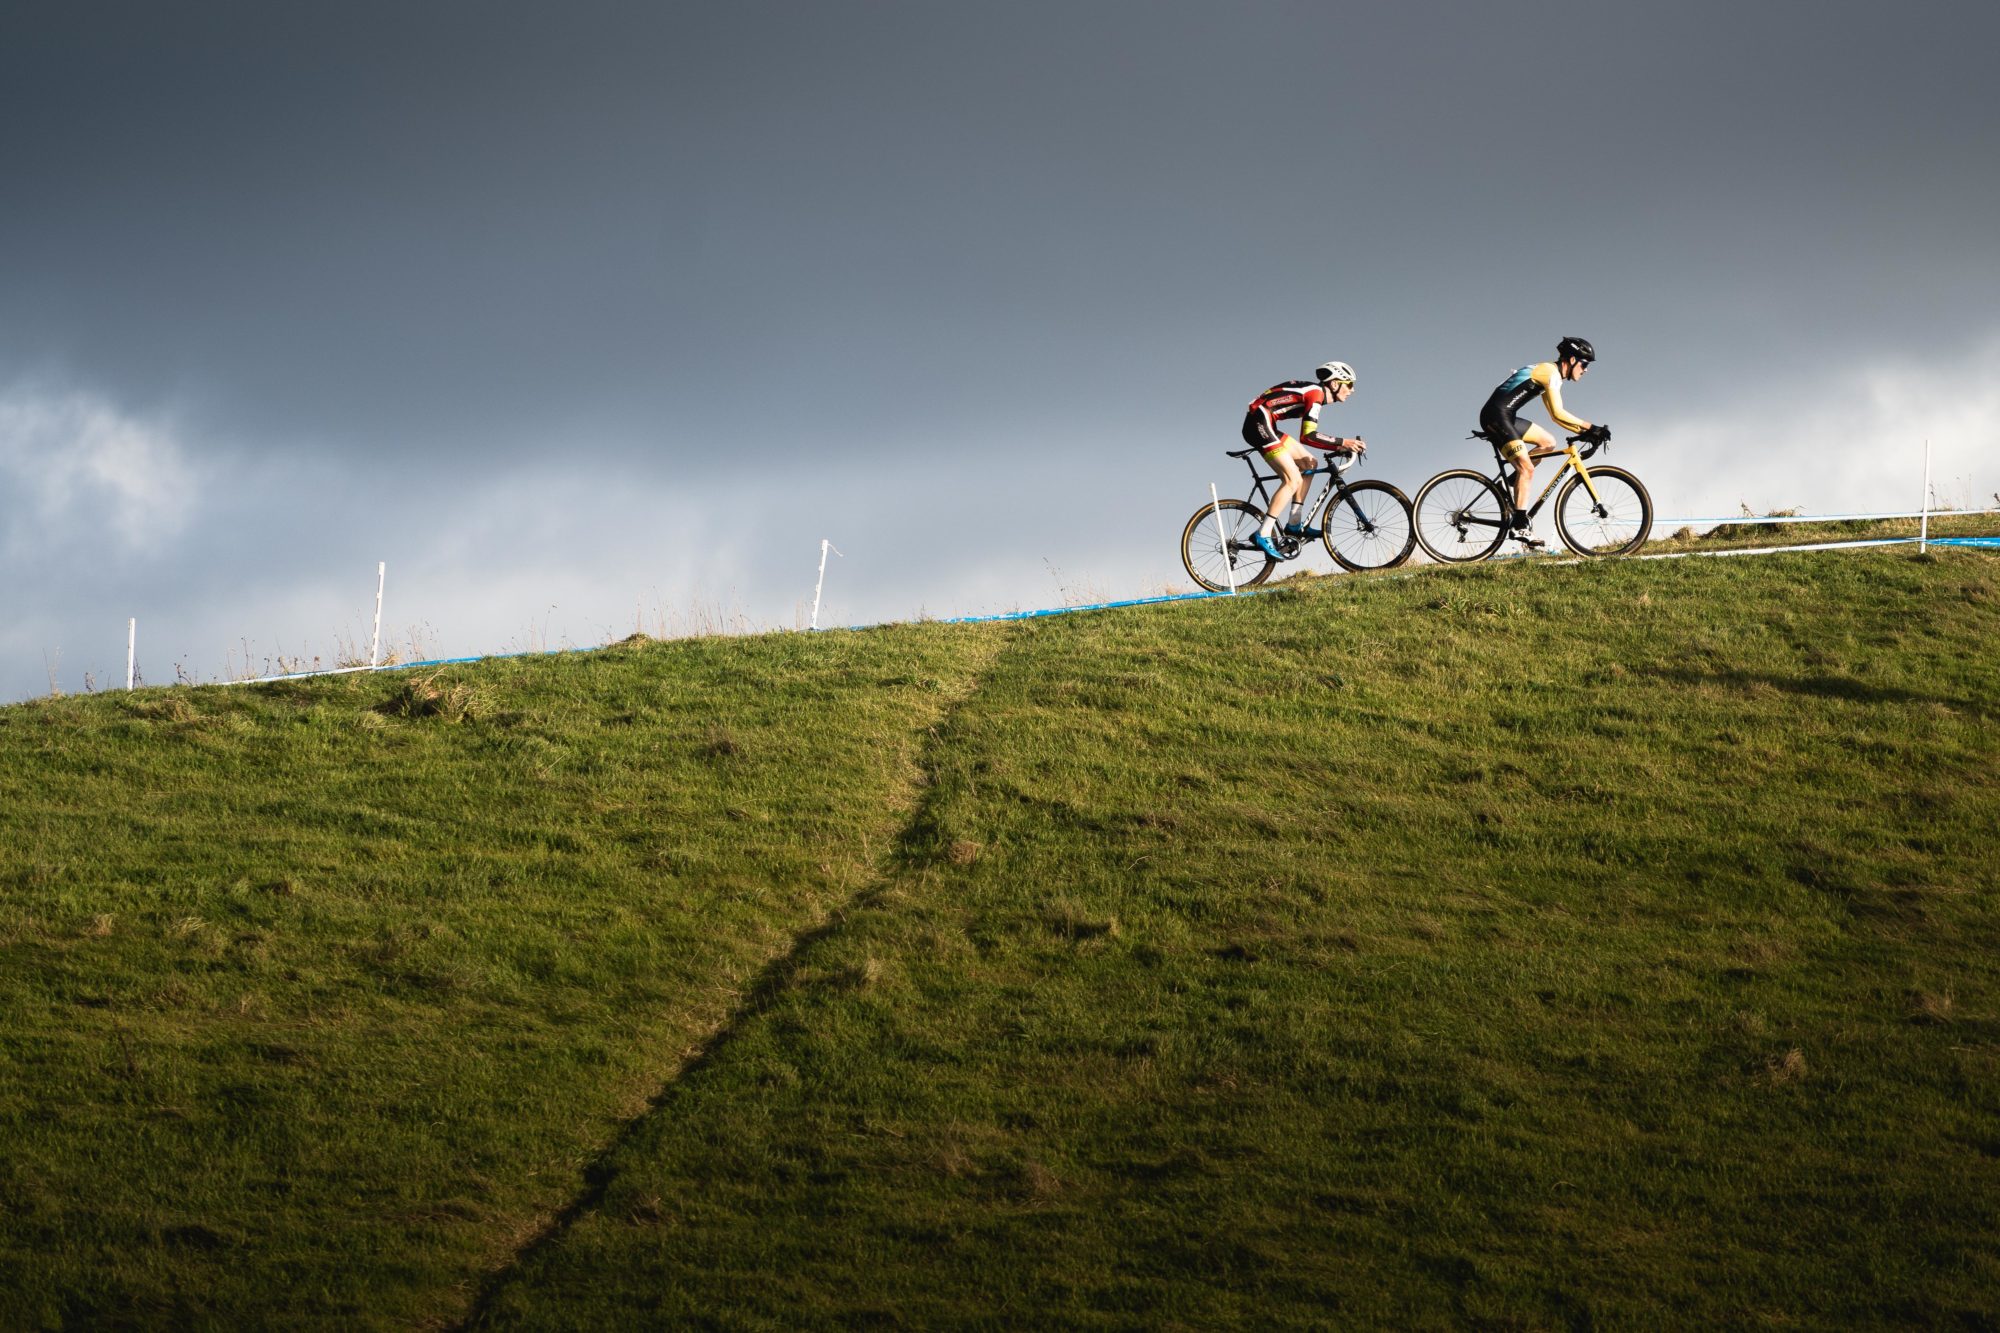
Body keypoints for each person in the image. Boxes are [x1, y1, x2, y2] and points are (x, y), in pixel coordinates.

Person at [1479, 336, 1609, 548]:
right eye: (1584, 364)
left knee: (1548, 442)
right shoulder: (1550, 373)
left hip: (1506, 416)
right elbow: (1558, 413)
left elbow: (1555, 417)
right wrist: (1590, 427)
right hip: (1496, 417)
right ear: (1572, 360)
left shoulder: (1551, 374)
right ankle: (1519, 526)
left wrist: (1585, 432)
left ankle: (1509, 484)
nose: (1586, 370)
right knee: (1527, 469)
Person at [1241, 361, 1367, 560]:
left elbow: (1309, 436)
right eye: (1349, 384)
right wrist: (1343, 442)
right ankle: (1263, 533)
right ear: (1334, 384)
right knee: (1292, 479)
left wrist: (1340, 447)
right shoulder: (1316, 394)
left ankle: (1294, 524)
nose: (1352, 390)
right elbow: (1308, 436)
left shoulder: (1315, 394)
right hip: (1258, 423)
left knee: (1309, 463)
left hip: (1266, 423)